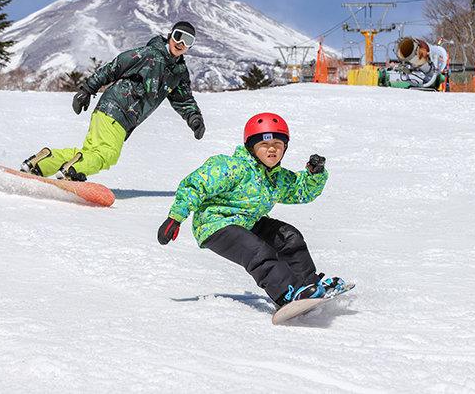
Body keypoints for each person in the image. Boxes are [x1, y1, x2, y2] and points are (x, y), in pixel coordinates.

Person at [157, 112, 347, 308]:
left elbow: (301, 191)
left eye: (278, 144)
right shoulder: (231, 167)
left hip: (248, 223)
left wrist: (314, 175)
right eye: (264, 144)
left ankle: (309, 285)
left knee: (290, 237)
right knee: (258, 251)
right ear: (251, 148)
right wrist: (175, 218)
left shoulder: (277, 178)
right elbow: (195, 185)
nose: (272, 149)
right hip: (215, 225)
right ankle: (286, 294)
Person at [21, 21, 205, 181]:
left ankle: (41, 164)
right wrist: (87, 89)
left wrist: (194, 118)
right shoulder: (148, 54)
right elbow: (114, 67)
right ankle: (72, 170)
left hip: (115, 114)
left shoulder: (179, 72)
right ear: (170, 36)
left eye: (188, 41)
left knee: (90, 152)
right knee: (107, 155)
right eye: (178, 36)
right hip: (117, 109)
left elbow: (184, 98)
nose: (181, 43)